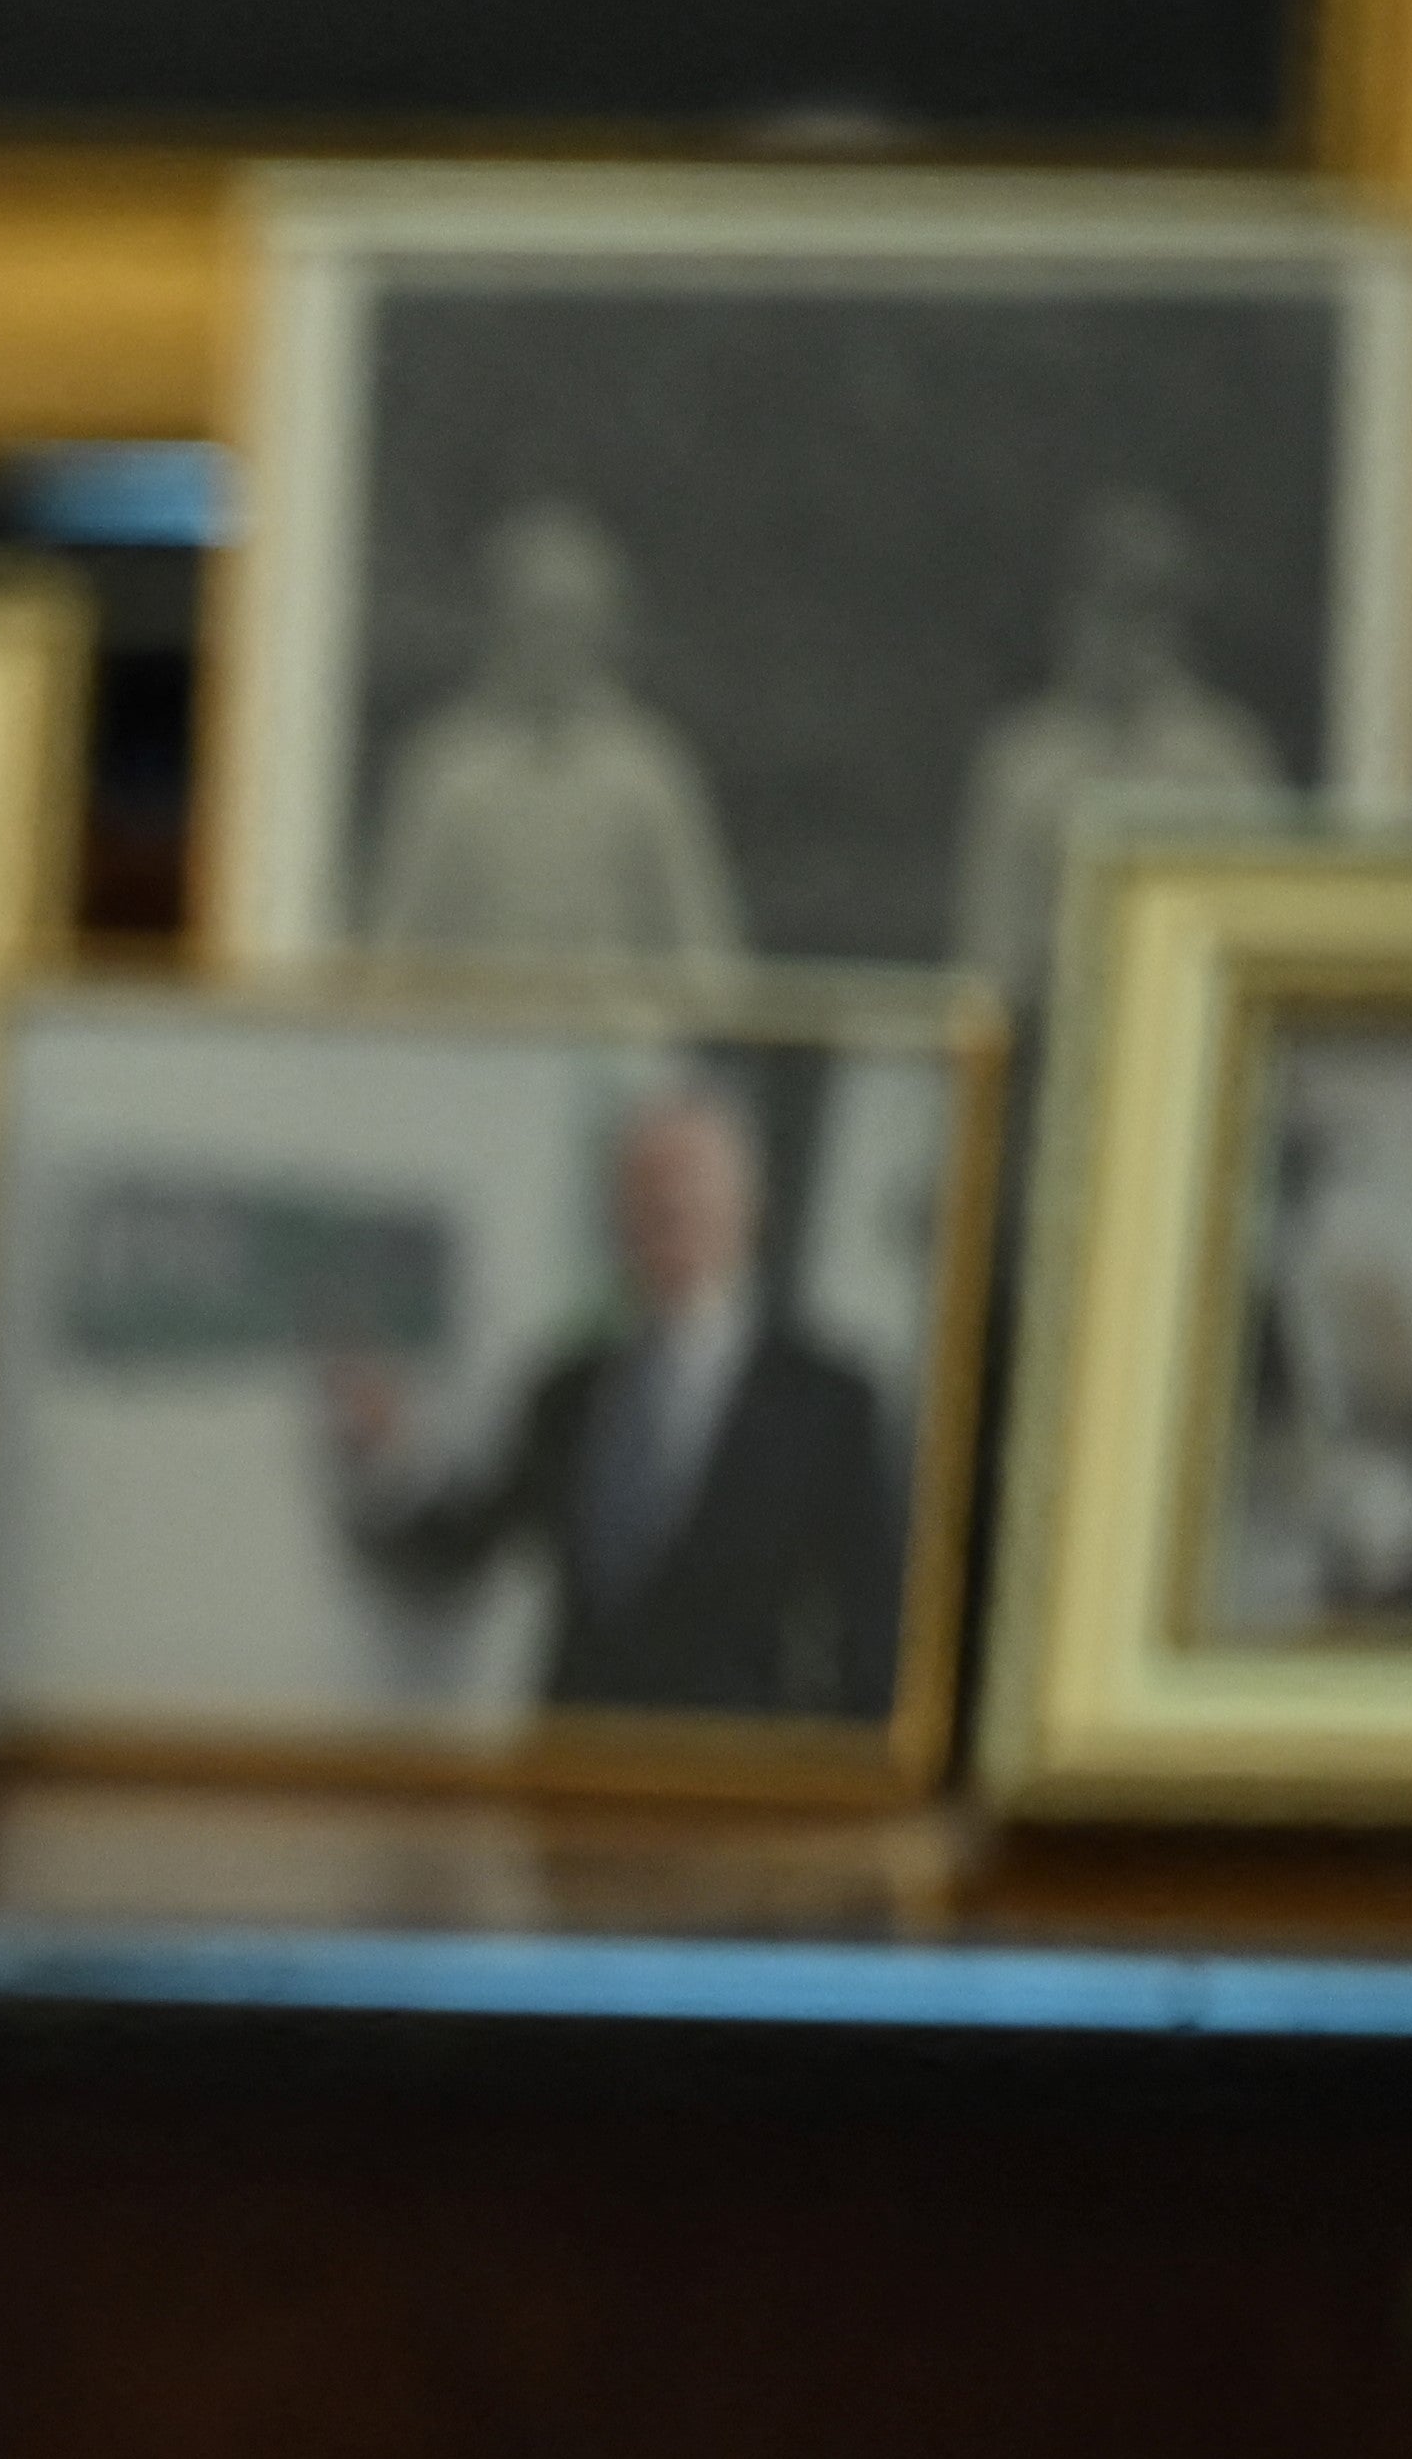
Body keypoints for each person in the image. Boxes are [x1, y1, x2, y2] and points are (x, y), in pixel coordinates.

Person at [327, 1068, 912, 1724]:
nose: (666, 1207)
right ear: (615, 1211)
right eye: (644, 1186)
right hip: (573, 1776)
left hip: (739, 1786)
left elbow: (875, 1624)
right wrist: (388, 1451)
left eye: (688, 1180)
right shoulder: (566, 1391)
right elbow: (466, 1546)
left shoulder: (829, 1400)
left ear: (747, 1201)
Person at [362, 503, 746, 980]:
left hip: (614, 1046)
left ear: (608, 630)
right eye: (536, 619)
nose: (554, 643)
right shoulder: (447, 770)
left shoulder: (648, 773)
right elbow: (393, 954)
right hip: (476, 1041)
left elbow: (703, 956)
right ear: (498, 622)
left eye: (573, 621)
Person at [944, 490, 1283, 1024]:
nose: (1123, 637)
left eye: (1146, 609)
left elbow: (1263, 939)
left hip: (1198, 1030)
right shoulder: (1023, 764)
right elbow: (989, 967)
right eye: (1106, 607)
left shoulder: (1225, 762)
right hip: (1057, 1043)